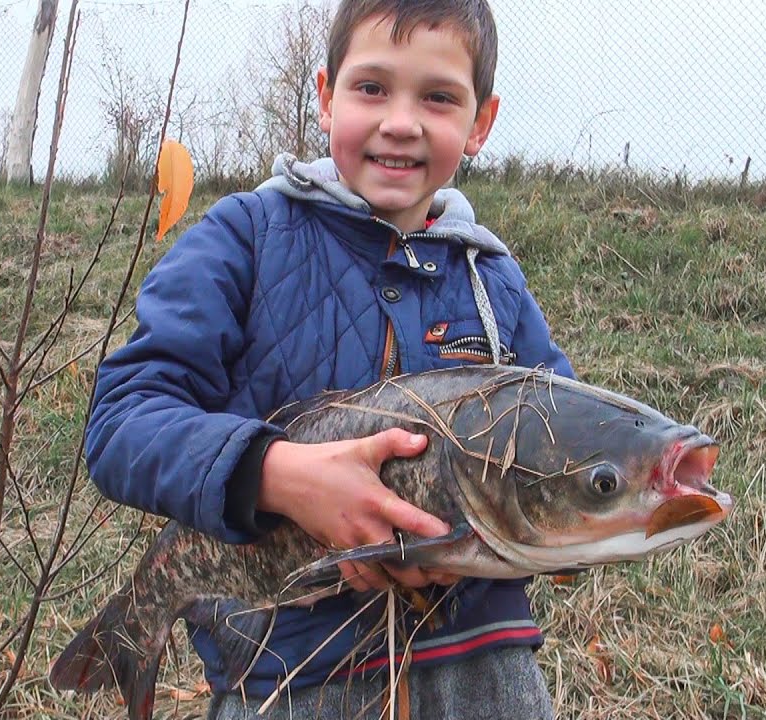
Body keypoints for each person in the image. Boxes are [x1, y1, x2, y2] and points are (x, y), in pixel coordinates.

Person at [85, 0, 573, 717]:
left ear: (480, 123)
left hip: (483, 670)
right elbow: (123, 422)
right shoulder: (245, 238)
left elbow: (567, 451)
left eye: (437, 97)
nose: (400, 121)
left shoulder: (492, 279)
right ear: (324, 96)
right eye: (372, 87)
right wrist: (277, 474)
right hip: (292, 678)